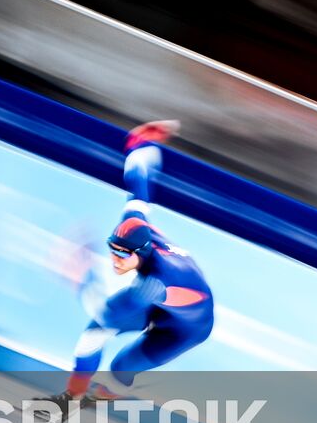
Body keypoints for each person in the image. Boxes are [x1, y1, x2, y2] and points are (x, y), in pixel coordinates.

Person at [61, 120, 213, 401]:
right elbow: (138, 181)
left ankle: (109, 394)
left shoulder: (157, 281)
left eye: (121, 255)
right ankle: (72, 398)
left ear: (140, 254)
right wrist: (142, 144)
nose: (114, 261)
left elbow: (107, 312)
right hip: (159, 302)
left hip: (185, 328)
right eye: (112, 250)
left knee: (120, 366)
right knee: (92, 337)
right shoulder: (134, 225)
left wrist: (82, 280)